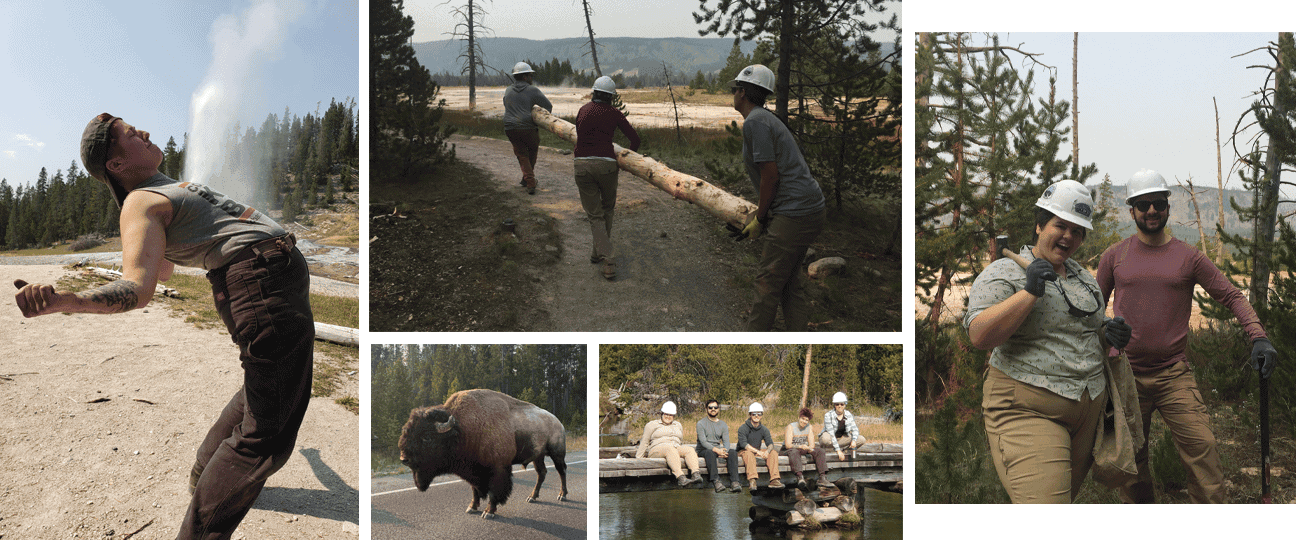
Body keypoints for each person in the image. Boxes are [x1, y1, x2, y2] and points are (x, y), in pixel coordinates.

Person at [14, 113, 315, 537]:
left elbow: (165, 269)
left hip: (268, 279)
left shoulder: (161, 190)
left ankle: (203, 475)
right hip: (262, 281)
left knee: (265, 387)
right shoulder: (138, 201)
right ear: (115, 165)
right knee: (265, 437)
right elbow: (139, 286)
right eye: (131, 135)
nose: (145, 132)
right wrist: (68, 301)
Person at [1097, 168, 1278, 504]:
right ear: (1132, 210)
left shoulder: (1189, 257)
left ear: (1168, 206)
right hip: (1125, 375)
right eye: (1143, 204)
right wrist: (1105, 329)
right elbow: (1092, 306)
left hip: (1173, 374)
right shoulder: (1115, 255)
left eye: (1158, 203)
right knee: (1131, 462)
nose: (1151, 210)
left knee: (1203, 449)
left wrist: (1258, 336)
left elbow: (1232, 296)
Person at [964, 179, 1132, 503]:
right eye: (1061, 225)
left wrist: (1109, 333)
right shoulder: (1006, 270)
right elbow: (979, 335)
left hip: (1087, 412)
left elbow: (1085, 331)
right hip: (1029, 409)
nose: (1069, 236)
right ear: (1040, 225)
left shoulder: (1084, 279)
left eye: (1078, 230)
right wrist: (1029, 292)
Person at [727, 64, 827, 331]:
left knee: (767, 283)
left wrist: (760, 218)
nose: (733, 93)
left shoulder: (756, 122)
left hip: (795, 213)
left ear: (743, 93)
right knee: (788, 283)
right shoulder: (763, 119)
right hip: (808, 210)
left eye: (735, 88)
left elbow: (770, 176)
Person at [574, 76, 640, 280]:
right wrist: (629, 157)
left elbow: (580, 133)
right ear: (611, 96)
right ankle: (608, 259)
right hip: (607, 166)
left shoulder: (583, 110)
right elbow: (635, 139)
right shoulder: (614, 113)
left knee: (594, 214)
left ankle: (598, 252)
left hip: (582, 165)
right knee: (607, 209)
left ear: (593, 92)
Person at [503, 61, 554, 195]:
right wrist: (540, 117)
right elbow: (548, 106)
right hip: (527, 127)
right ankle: (531, 183)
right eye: (530, 75)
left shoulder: (508, 90)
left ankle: (526, 179)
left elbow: (507, 106)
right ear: (525, 77)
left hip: (509, 127)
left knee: (521, 154)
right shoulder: (532, 90)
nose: (532, 78)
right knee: (530, 152)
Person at [634, 401, 703, 487]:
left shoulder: (678, 425)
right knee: (669, 449)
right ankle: (681, 478)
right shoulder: (652, 425)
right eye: (666, 414)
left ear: (674, 416)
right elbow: (644, 441)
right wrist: (638, 458)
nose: (668, 416)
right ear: (662, 413)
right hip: (657, 450)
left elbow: (680, 440)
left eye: (671, 415)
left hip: (674, 448)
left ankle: (695, 474)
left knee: (689, 449)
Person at [695, 399, 743, 493]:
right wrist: (717, 451)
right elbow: (703, 442)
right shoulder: (700, 423)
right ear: (706, 409)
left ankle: (735, 482)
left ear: (718, 409)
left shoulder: (723, 424)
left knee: (732, 452)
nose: (713, 409)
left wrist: (724, 451)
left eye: (715, 407)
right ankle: (716, 481)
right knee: (710, 452)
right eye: (710, 407)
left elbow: (726, 441)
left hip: (717, 450)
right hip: (704, 450)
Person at [736, 402, 783, 490]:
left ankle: (775, 479)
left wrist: (767, 452)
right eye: (754, 414)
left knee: (773, 452)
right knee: (748, 454)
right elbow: (744, 444)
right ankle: (752, 480)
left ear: (761, 415)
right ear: (750, 414)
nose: (757, 416)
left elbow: (770, 444)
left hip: (756, 451)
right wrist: (758, 452)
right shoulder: (743, 428)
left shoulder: (764, 429)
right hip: (743, 452)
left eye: (759, 414)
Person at [782, 407, 827, 490]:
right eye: (803, 419)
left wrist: (809, 448)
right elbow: (788, 445)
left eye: (806, 420)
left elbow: (812, 444)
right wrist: (800, 446)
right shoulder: (791, 427)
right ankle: (800, 477)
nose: (804, 422)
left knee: (820, 451)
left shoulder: (809, 427)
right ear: (799, 418)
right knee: (794, 452)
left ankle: (822, 477)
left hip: (802, 448)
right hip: (789, 449)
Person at [818, 392, 862, 460]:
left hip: (841, 439)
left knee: (861, 439)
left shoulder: (848, 414)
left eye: (842, 404)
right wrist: (838, 450)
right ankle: (834, 449)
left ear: (845, 405)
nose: (839, 406)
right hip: (830, 439)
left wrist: (854, 441)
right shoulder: (828, 415)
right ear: (834, 405)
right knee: (825, 438)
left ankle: (845, 450)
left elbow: (855, 429)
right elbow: (831, 434)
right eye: (837, 404)